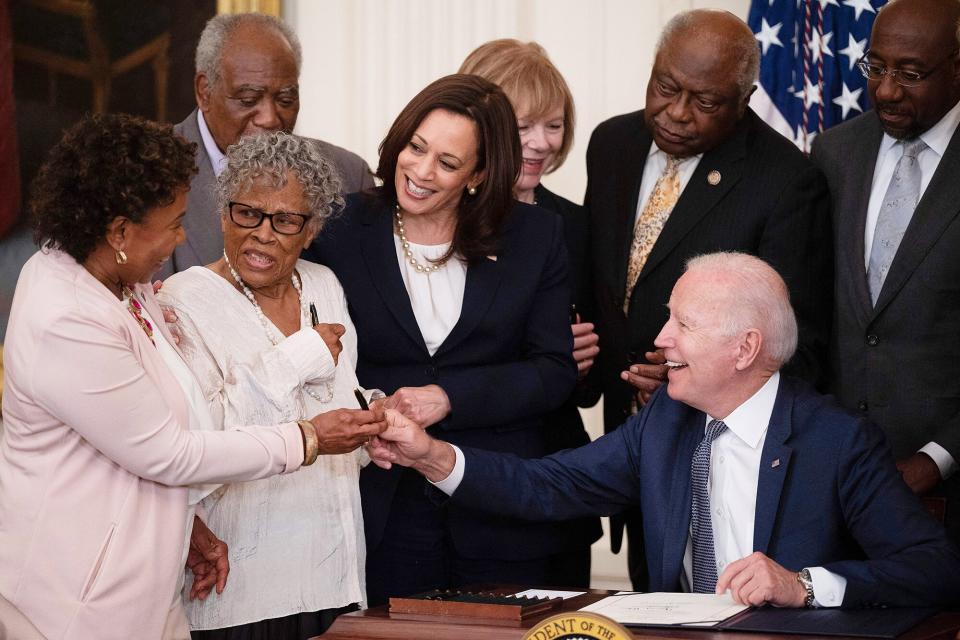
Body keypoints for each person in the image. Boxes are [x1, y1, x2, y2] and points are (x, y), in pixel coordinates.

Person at [368, 252, 960, 610]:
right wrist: (430, 455)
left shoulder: (837, 441)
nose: (661, 339)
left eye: (684, 323)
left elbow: (933, 566)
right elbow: (547, 485)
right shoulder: (665, 422)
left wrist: (804, 584)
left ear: (744, 349)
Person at [0, 114, 386, 640]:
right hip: (77, 594)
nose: (182, 237)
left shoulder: (126, 285)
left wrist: (189, 529)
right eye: (174, 223)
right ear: (119, 232)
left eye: (286, 221)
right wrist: (308, 437)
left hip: (150, 581)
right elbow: (173, 452)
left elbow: (170, 422)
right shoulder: (69, 316)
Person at [303, 74, 578, 605]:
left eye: (448, 164)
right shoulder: (341, 226)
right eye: (416, 148)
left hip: (498, 506)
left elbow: (552, 370)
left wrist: (450, 396)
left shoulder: (533, 235)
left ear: (477, 174)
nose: (422, 172)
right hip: (382, 500)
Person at [583, 9, 833, 589]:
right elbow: (608, 288)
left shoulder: (785, 180)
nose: (675, 112)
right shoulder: (612, 143)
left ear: (743, 99)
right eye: (666, 87)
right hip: (629, 444)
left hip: (724, 458)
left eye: (704, 101)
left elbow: (797, 345)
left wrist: (692, 372)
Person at [159, 131, 379, 639]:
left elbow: (339, 401)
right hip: (241, 590)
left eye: (284, 220)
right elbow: (200, 442)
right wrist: (298, 356)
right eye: (247, 214)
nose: (262, 233)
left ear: (311, 228)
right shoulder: (181, 299)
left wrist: (375, 423)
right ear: (222, 212)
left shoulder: (323, 284)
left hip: (338, 578)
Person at [810, 0, 960, 547]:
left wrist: (936, 458)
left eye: (911, 74)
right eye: (875, 67)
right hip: (832, 476)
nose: (887, 90)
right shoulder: (833, 153)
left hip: (945, 487)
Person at [457, 38, 600, 588]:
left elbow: (586, 388)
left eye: (554, 125)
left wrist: (582, 364)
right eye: (523, 127)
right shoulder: (437, 216)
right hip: (458, 479)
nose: (541, 144)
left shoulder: (575, 224)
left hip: (555, 480)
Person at [159, 13, 374, 279]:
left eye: (285, 99)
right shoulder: (151, 173)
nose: (270, 118)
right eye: (249, 100)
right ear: (205, 91)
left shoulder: (349, 175)